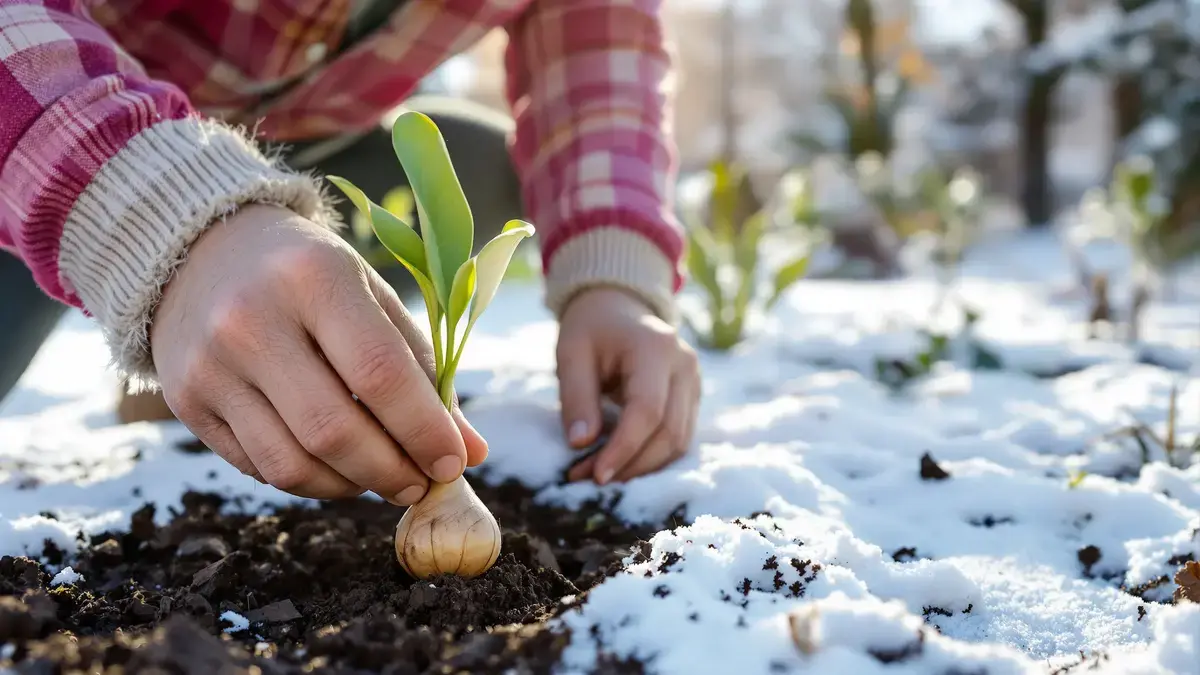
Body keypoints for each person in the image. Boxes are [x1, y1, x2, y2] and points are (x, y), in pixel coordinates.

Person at [0, 0, 700, 506]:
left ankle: (245, 350)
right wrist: (163, 221)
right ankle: (197, 328)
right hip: (45, 134)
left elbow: (596, 36)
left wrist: (615, 279)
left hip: (301, 164)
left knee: (476, 162)